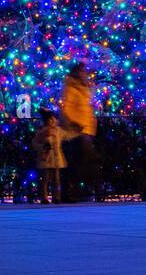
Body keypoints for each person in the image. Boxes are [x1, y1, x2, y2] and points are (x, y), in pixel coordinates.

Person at [60, 63, 101, 201]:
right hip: (78, 132)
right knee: (85, 162)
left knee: (81, 162)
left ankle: (78, 191)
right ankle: (79, 191)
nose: (86, 74)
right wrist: (74, 123)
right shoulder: (72, 89)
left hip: (86, 130)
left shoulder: (83, 89)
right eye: (83, 72)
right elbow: (67, 109)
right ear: (77, 73)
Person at [32, 108, 70, 203]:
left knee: (56, 180)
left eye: (53, 119)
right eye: (50, 119)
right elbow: (35, 143)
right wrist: (42, 147)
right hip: (46, 158)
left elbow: (67, 135)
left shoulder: (58, 130)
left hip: (55, 159)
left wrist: (75, 130)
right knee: (45, 179)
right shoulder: (42, 131)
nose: (52, 121)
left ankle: (56, 197)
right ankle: (44, 197)